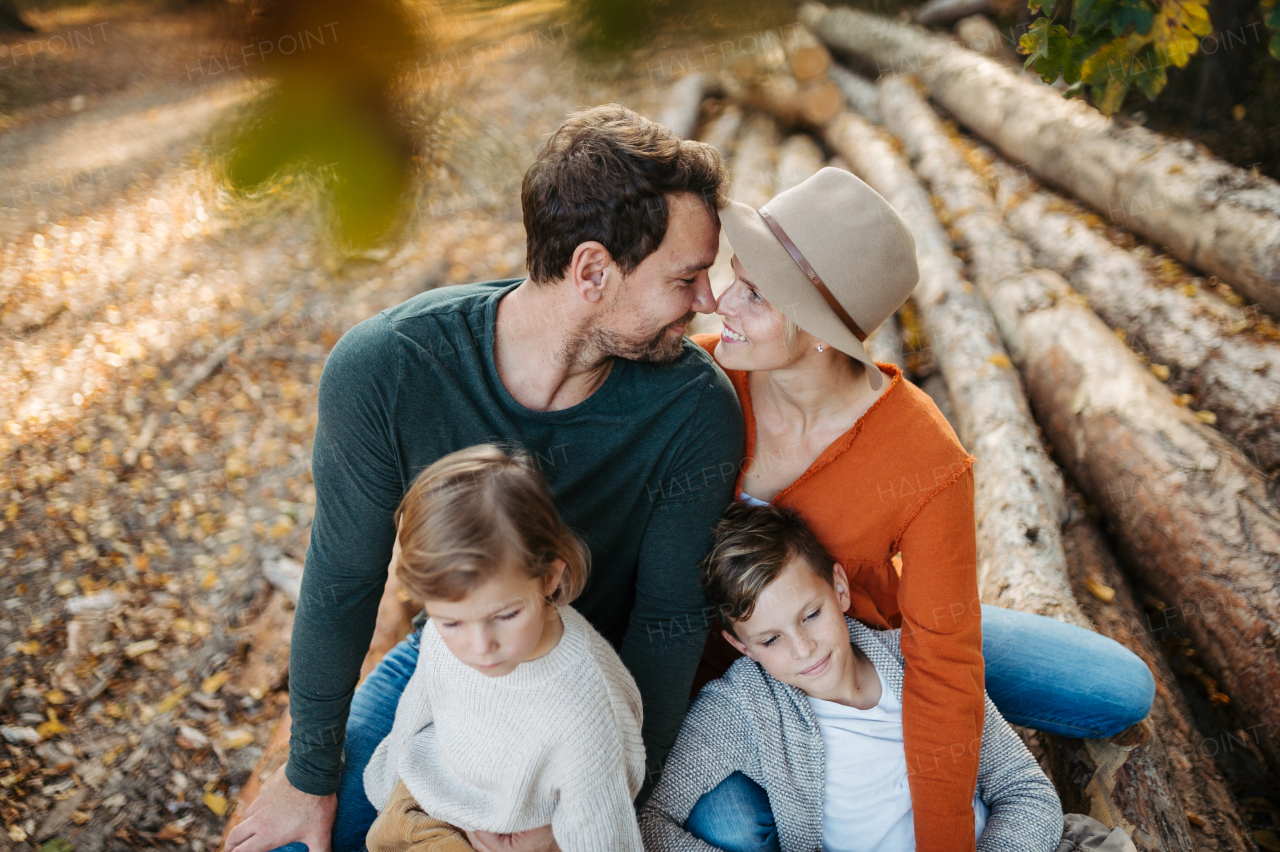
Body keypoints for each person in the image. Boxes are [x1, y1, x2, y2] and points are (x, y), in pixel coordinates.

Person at [223, 103, 745, 852]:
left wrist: (581, 813)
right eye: (687, 278)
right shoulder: (386, 370)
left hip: (591, 688)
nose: (709, 304)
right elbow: (341, 582)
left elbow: (666, 625)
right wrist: (309, 775)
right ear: (592, 270)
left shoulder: (694, 408)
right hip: (453, 657)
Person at [686, 166, 1155, 852]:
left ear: (819, 329)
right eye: (735, 277)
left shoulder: (923, 455)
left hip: (875, 643)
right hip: (744, 673)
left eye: (753, 294)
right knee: (739, 828)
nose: (723, 301)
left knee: (1117, 691)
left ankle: (954, 620)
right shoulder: (704, 381)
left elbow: (940, 666)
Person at [638, 502, 1136, 852]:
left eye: (810, 615)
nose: (804, 648)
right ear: (741, 647)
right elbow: (650, 823)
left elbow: (1023, 789)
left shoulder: (917, 660)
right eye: (770, 640)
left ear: (838, 588)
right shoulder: (741, 708)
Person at [362, 445, 645, 852]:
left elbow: (601, 831)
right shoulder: (446, 632)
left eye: (506, 615)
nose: (480, 647)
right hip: (427, 796)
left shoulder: (582, 706)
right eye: (452, 622)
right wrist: (389, 791)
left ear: (549, 578)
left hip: (521, 833)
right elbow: (419, 704)